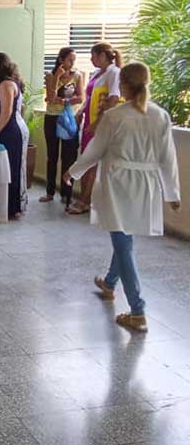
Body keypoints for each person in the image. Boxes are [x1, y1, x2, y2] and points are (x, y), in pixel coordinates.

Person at [64, 63, 180, 332]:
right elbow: (167, 158)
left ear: (125, 86)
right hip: (145, 186)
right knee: (124, 237)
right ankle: (109, 282)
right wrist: (172, 192)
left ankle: (138, 310)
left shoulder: (115, 116)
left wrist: (73, 172)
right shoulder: (160, 115)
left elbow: (95, 150)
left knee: (123, 242)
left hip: (118, 184)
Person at [68, 42, 122, 214]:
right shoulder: (98, 73)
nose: (91, 59)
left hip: (101, 126)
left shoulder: (114, 72)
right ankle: (84, 198)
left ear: (102, 55)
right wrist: (81, 112)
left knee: (91, 162)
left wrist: (97, 123)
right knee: (85, 160)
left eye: (93, 55)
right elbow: (90, 97)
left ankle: (84, 201)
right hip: (89, 123)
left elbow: (113, 99)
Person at [41, 47, 84, 207]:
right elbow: (50, 96)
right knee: (52, 156)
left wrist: (66, 101)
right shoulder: (50, 75)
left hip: (69, 119)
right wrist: (58, 77)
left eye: (74, 60)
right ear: (61, 60)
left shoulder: (78, 76)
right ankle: (49, 192)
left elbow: (81, 97)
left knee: (69, 157)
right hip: (52, 118)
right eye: (69, 60)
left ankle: (67, 194)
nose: (72, 63)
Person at [0, 52, 29, 220]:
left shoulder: (6, 85)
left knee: (13, 167)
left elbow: (6, 112)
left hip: (11, 130)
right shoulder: (9, 84)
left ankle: (14, 207)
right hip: (11, 128)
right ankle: (11, 205)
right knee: (10, 167)